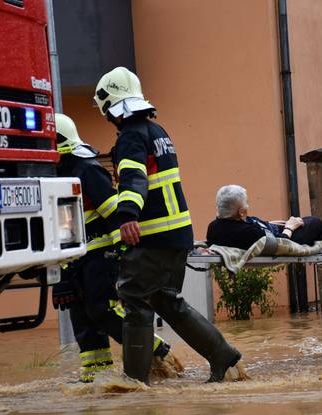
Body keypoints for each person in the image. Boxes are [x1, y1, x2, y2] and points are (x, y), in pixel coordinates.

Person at [93, 66, 241, 385]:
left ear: (109, 105)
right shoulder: (158, 131)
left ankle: (132, 384)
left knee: (133, 299)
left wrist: (128, 215)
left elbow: (134, 177)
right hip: (177, 236)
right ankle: (223, 358)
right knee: (166, 301)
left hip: (153, 238)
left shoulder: (131, 135)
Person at [52, 113, 180, 382]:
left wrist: (120, 251)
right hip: (73, 261)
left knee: (104, 310)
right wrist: (61, 277)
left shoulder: (85, 169)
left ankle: (157, 349)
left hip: (100, 255)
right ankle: (95, 379)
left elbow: (113, 212)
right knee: (82, 317)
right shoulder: (55, 175)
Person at [206, 184, 322, 249]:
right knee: (314, 222)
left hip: (270, 229)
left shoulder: (213, 226)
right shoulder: (247, 232)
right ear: (241, 212)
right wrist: (290, 227)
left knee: (305, 222)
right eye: (246, 203)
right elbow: (281, 243)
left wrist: (268, 224)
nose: (248, 205)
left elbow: (244, 224)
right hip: (284, 237)